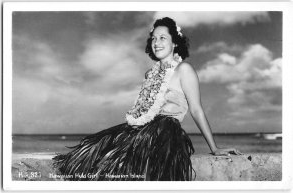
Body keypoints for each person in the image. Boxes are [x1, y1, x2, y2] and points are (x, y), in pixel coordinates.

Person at [52, 17, 242, 181]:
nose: (156, 42)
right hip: (141, 128)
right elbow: (144, 108)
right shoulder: (149, 73)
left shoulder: (184, 70)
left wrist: (214, 147)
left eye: (162, 38)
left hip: (164, 133)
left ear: (175, 42)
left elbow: (196, 109)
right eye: (153, 39)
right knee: (92, 148)